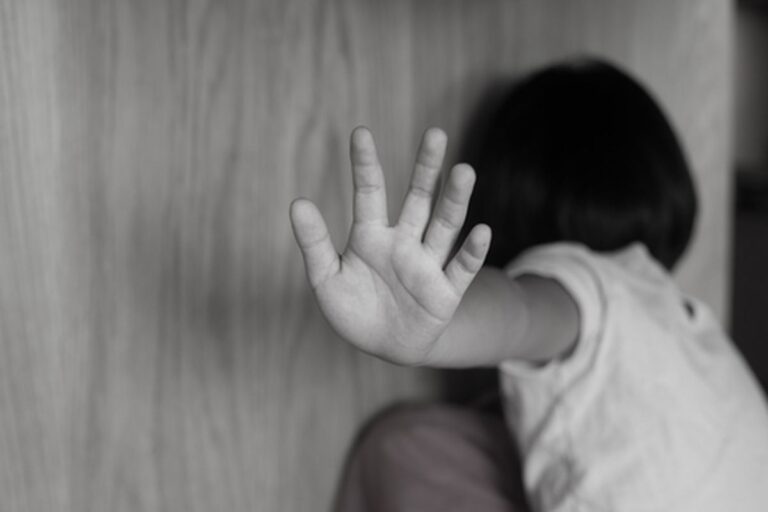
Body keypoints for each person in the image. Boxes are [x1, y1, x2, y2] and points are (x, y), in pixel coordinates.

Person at [289, 58, 768, 511]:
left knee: (400, 445)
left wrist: (440, 331)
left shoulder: (581, 282)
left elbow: (519, 312)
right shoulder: (687, 323)